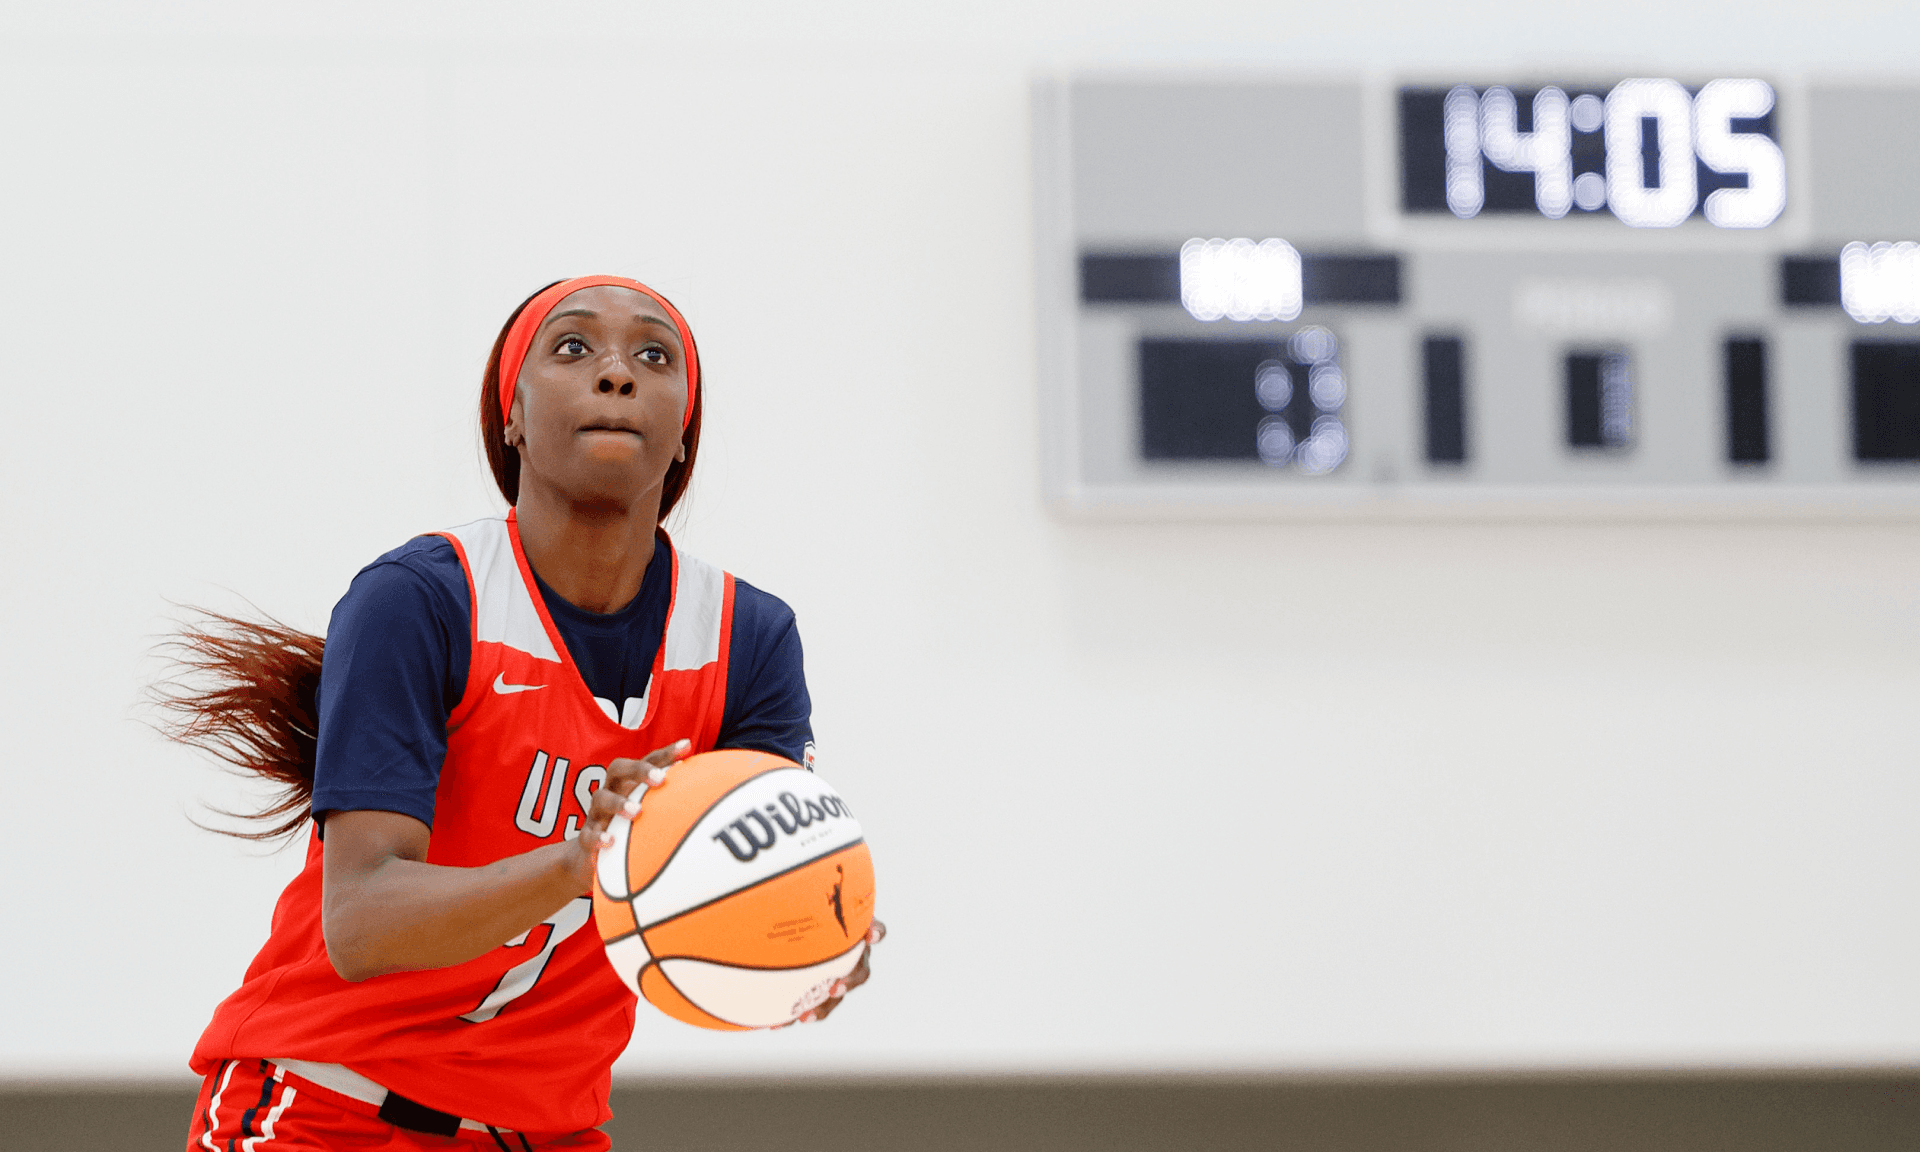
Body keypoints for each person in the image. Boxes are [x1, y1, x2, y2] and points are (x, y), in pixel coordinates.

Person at [164, 276, 881, 1151]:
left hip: (545, 1130)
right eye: (573, 348)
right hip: (325, 1107)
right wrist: (581, 861)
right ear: (511, 415)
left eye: (653, 355)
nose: (616, 373)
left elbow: (748, 882)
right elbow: (359, 922)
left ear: (684, 427)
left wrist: (806, 934)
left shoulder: (750, 639)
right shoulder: (422, 600)